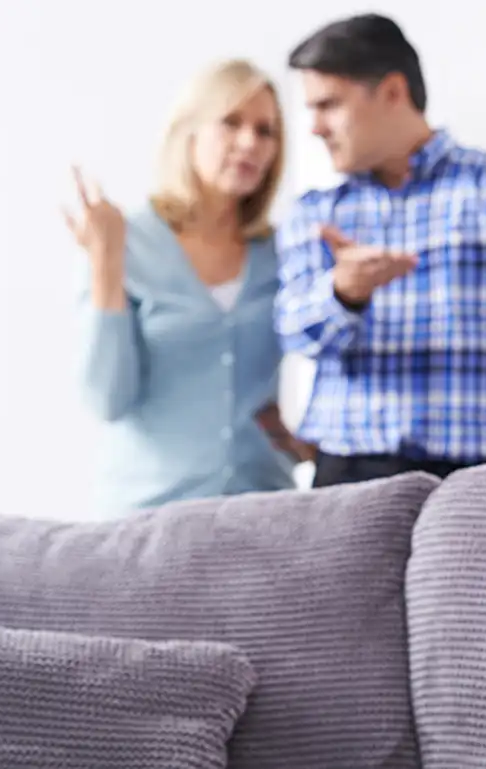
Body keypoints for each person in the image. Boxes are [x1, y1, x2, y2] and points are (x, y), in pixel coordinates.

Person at [275, 13, 486, 488]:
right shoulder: (316, 214)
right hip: (346, 474)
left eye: (329, 105)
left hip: (479, 476)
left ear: (392, 92)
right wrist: (344, 293)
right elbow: (296, 338)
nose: (315, 128)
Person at [66, 59, 315, 514]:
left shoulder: (280, 252)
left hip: (262, 511)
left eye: (266, 131)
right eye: (231, 122)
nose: (250, 143)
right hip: (148, 514)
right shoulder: (126, 242)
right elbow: (106, 398)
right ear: (189, 132)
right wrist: (106, 261)